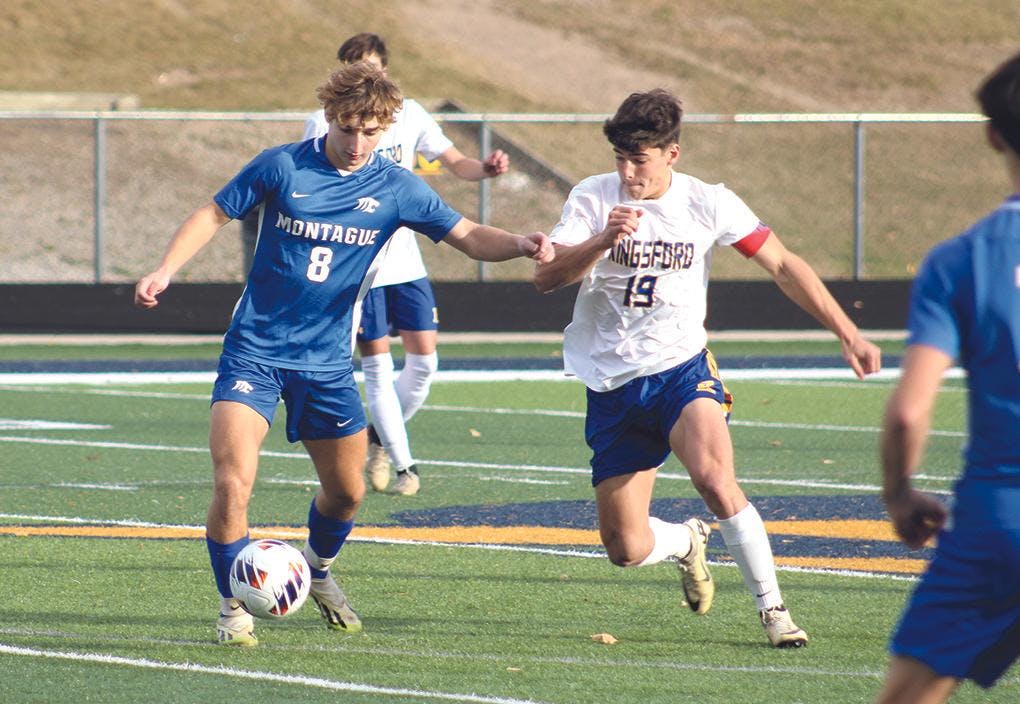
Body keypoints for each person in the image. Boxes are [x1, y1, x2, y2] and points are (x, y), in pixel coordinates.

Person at [134, 61, 552, 647]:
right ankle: (233, 609)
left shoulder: (396, 186)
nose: (357, 143)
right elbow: (213, 213)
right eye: (348, 128)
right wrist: (165, 269)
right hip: (254, 351)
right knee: (232, 483)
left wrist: (521, 243)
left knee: (348, 493)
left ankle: (318, 569)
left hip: (328, 363)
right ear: (329, 117)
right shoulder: (283, 165)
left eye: (370, 132)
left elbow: (468, 236)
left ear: (386, 129)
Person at [533, 88, 882, 647]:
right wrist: (602, 239)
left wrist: (848, 332)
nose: (627, 172)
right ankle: (685, 542)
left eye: (639, 159)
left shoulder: (708, 202)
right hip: (612, 384)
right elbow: (547, 278)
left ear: (672, 153)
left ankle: (774, 611)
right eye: (620, 158)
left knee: (715, 479)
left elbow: (783, 265)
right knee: (625, 548)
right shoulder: (593, 198)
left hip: (682, 369)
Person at [304, 32, 510, 497]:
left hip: (406, 261)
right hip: (362, 263)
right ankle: (405, 466)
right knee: (376, 369)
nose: (365, 77)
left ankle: (375, 438)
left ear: (386, 71)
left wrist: (485, 169)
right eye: (355, 69)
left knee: (424, 364)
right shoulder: (323, 121)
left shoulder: (410, 114)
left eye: (372, 68)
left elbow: (455, 162)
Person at [875, 51, 1020, 703]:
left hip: (999, 520)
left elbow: (908, 413)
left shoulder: (961, 260)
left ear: (993, 136)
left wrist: (900, 493)